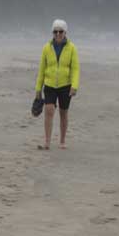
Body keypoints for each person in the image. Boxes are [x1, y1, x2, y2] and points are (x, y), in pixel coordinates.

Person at [35, 19, 80, 150]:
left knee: (63, 113)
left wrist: (74, 86)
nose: (58, 34)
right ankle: (47, 142)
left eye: (61, 31)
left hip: (65, 85)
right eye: (55, 32)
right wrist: (38, 88)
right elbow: (41, 69)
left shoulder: (72, 48)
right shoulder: (46, 48)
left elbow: (75, 69)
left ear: (65, 32)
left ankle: (62, 140)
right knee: (49, 111)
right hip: (49, 85)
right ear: (52, 33)